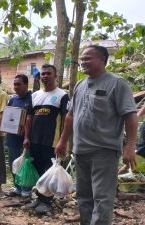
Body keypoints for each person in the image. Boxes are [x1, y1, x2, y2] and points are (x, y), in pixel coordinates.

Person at [55, 45, 137, 225]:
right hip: (81, 151)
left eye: (87, 58)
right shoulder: (80, 85)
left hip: (105, 151)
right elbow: (70, 115)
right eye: (82, 59)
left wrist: (130, 145)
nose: (83, 62)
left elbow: (130, 115)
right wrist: (62, 141)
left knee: (102, 198)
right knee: (84, 196)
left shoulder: (117, 83)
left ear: (102, 60)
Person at [23, 64, 69, 214]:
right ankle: (38, 199)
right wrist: (26, 137)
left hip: (51, 142)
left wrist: (63, 141)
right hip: (35, 140)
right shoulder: (35, 95)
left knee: (49, 172)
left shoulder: (62, 95)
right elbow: (29, 118)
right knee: (37, 171)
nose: (45, 76)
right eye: (43, 74)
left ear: (55, 76)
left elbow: (65, 120)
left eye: (49, 73)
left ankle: (47, 201)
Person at [4, 74, 32, 198]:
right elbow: (7, 117)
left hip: (24, 139)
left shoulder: (32, 99)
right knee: (13, 163)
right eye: (14, 84)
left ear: (26, 84)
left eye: (18, 84)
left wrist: (27, 135)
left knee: (24, 165)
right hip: (12, 138)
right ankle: (17, 187)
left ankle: (26, 189)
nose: (16, 87)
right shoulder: (13, 100)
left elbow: (32, 119)